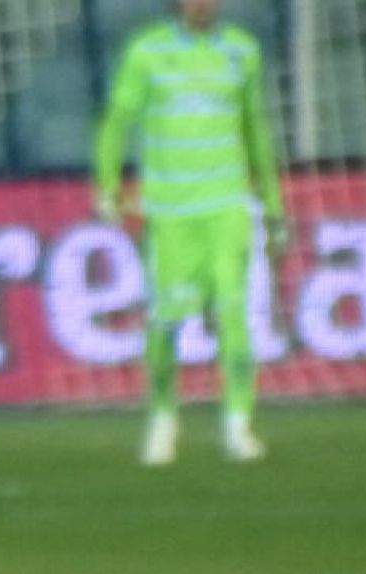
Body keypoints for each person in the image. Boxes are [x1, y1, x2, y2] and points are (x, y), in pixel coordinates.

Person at [94, 0, 288, 465]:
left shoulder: (241, 52)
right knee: (166, 321)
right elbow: (117, 122)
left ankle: (237, 425)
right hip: (171, 213)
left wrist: (273, 203)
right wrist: (108, 186)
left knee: (233, 312)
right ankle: (163, 418)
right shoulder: (148, 52)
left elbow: (254, 129)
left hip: (226, 206)